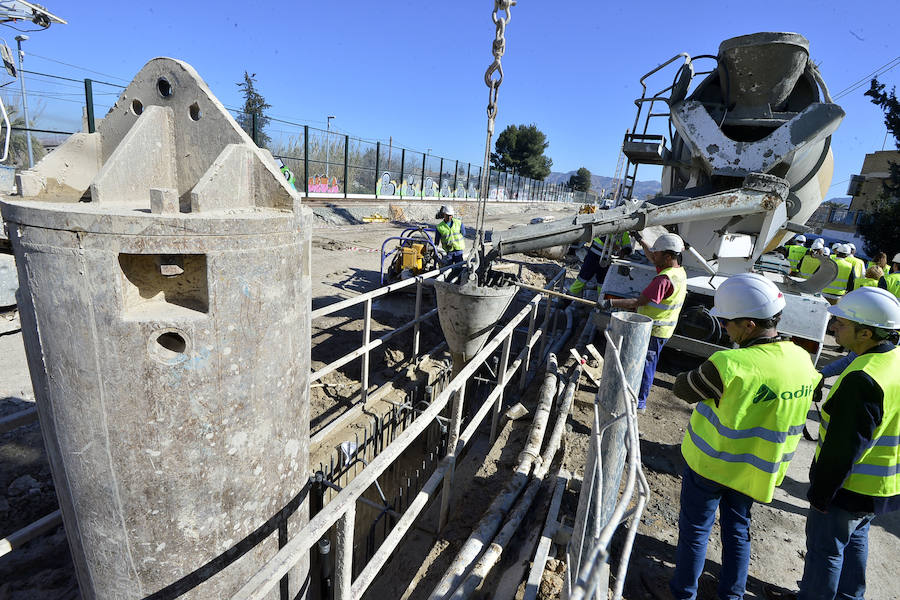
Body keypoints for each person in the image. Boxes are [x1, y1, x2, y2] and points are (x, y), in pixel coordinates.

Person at [669, 273, 822, 600]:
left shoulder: (728, 363)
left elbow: (682, 388)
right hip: (755, 472)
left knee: (696, 532)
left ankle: (684, 594)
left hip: (710, 466)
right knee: (738, 533)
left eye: (729, 322)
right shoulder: (801, 360)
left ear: (749, 325)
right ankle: (732, 595)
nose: (725, 327)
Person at [797, 286, 900, 600]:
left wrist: (821, 494)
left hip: (848, 487)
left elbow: (843, 450)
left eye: (841, 324)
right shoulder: (892, 359)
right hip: (880, 487)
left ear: (865, 333)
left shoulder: (863, 378)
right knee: (855, 541)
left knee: (825, 552)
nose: (833, 328)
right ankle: (849, 597)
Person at [599, 232, 686, 410]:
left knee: (646, 364)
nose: (653, 256)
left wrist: (610, 303)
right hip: (662, 328)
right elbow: (651, 256)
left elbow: (638, 302)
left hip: (655, 330)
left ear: (668, 256)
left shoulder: (663, 280)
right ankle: (635, 393)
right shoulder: (677, 270)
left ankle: (639, 401)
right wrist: (639, 239)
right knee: (643, 361)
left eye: (657, 253)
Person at [568, 231, 632, 297]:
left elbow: (628, 247)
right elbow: (601, 235)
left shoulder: (623, 233)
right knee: (582, 279)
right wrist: (613, 245)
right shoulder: (606, 227)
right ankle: (565, 301)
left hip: (606, 262)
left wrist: (623, 252)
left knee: (602, 284)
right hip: (593, 258)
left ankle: (600, 302)